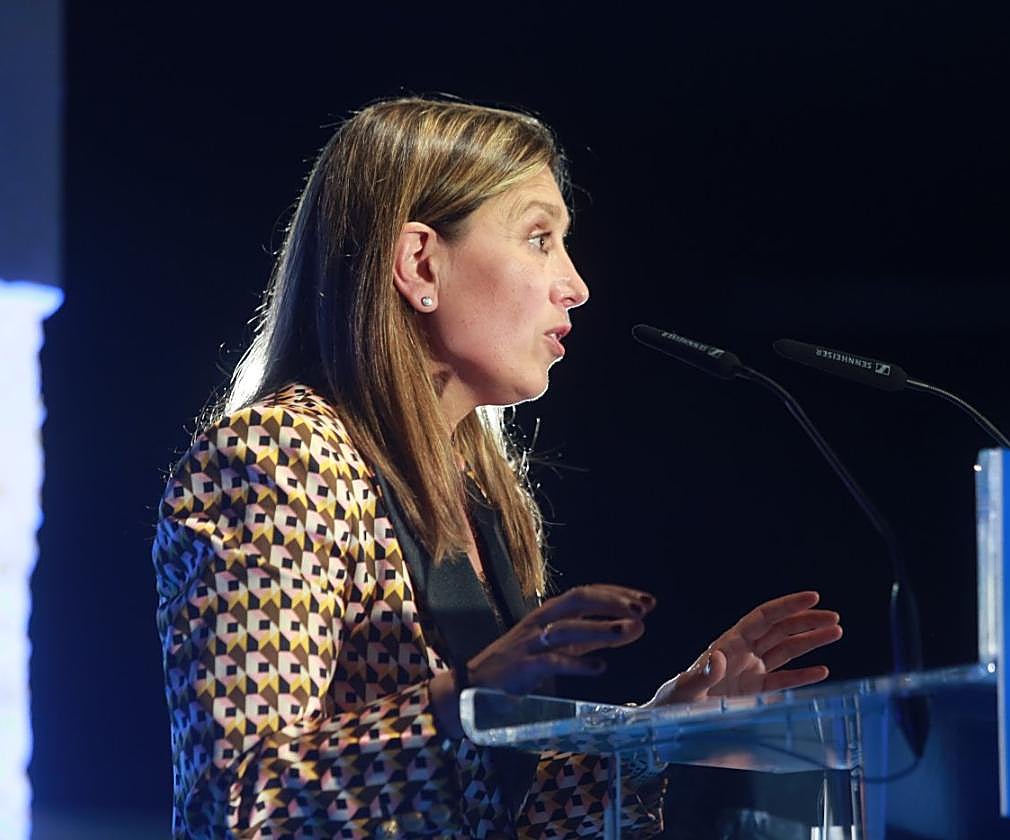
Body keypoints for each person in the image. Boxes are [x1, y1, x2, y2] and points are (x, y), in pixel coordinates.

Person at [152, 97, 843, 839]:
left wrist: (656, 733)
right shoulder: (277, 459)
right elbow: (239, 802)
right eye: (539, 238)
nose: (575, 285)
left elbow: (495, 807)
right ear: (420, 262)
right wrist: (469, 692)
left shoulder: (480, 492)